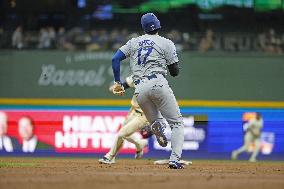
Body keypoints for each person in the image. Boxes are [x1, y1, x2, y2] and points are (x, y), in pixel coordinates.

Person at [111, 13, 184, 169]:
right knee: (177, 123)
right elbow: (175, 72)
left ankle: (156, 125)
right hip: (158, 83)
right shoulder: (166, 43)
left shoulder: (134, 42)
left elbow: (115, 59)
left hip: (140, 89)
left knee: (155, 120)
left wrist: (118, 82)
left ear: (143, 28)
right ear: (158, 24)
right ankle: (174, 159)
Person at [99, 76, 149, 164]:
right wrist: (117, 88)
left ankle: (110, 156)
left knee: (122, 133)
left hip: (143, 115)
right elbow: (127, 84)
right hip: (133, 111)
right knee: (123, 134)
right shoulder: (139, 74)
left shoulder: (158, 83)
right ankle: (139, 144)